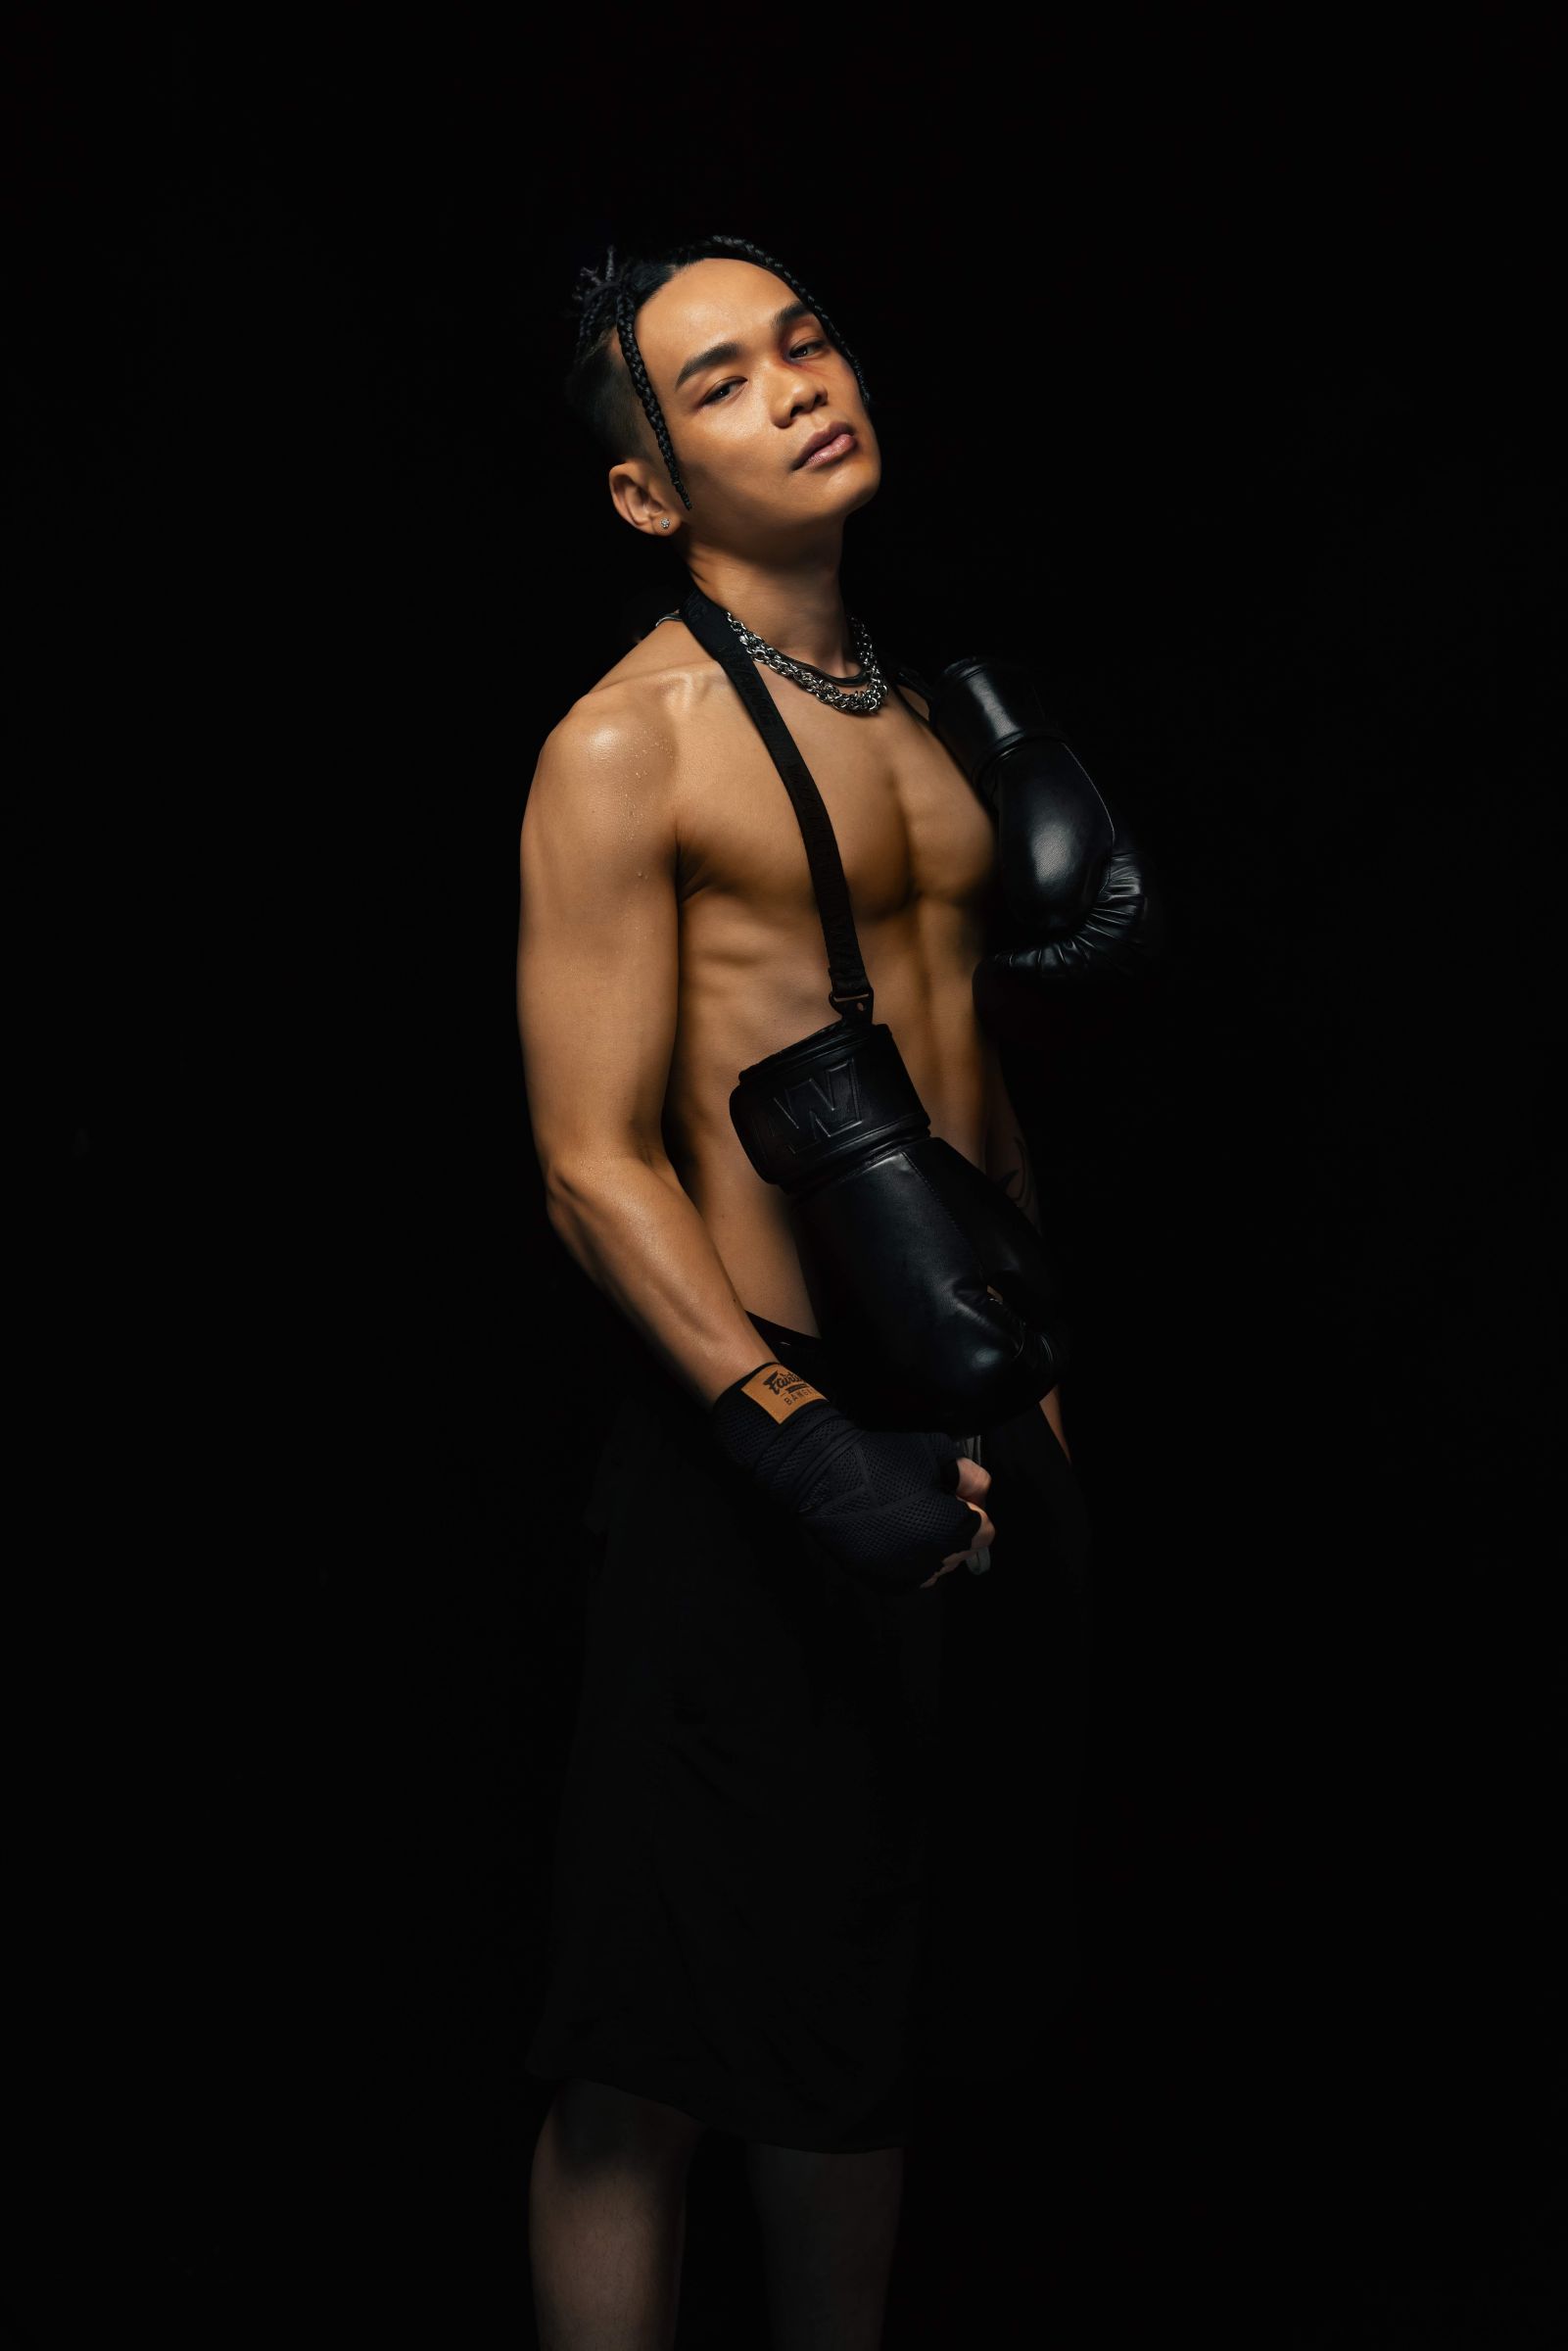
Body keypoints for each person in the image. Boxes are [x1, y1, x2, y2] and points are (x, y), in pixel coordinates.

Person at [516, 235, 1095, 2350]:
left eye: (807, 338)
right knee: (654, 2046)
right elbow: (591, 1161)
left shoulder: (932, 718)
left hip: (955, 1420)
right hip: (755, 1437)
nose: (796, 384)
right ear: (646, 490)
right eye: (721, 382)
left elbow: (981, 1120)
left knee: (861, 2013)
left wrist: (1047, 1429)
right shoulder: (627, 746)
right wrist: (795, 1439)